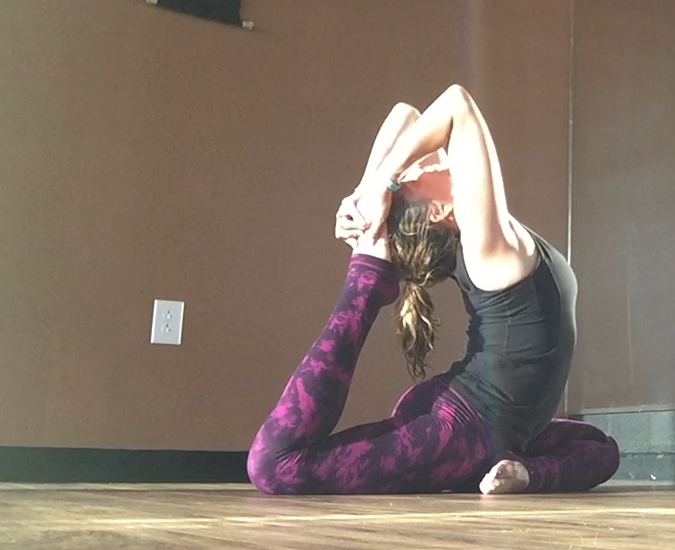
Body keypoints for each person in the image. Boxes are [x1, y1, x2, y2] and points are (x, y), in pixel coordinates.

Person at [246, 84, 620, 495]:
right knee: (275, 465)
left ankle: (522, 473)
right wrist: (380, 189)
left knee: (599, 448)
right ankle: (366, 281)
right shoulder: (488, 249)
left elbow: (405, 114)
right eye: (410, 179)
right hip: (459, 435)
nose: (414, 167)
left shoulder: (486, 240)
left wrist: (364, 194)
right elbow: (456, 105)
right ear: (440, 209)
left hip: (487, 425)